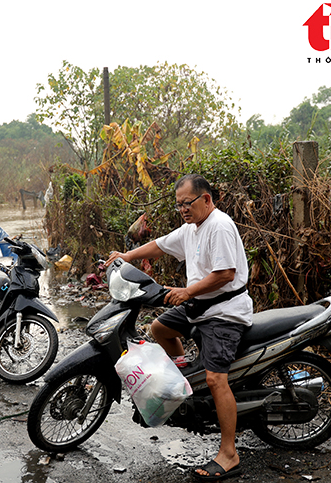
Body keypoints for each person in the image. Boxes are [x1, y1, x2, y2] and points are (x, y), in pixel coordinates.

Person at [106, 174, 253, 481]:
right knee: (159, 329)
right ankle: (185, 382)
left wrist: (187, 292)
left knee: (215, 379)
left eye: (188, 203)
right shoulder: (191, 229)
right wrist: (127, 256)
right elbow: (160, 245)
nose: (184, 209)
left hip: (224, 312)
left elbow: (226, 273)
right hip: (200, 306)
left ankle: (229, 454)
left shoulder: (220, 226)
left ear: (206, 200)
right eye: (179, 205)